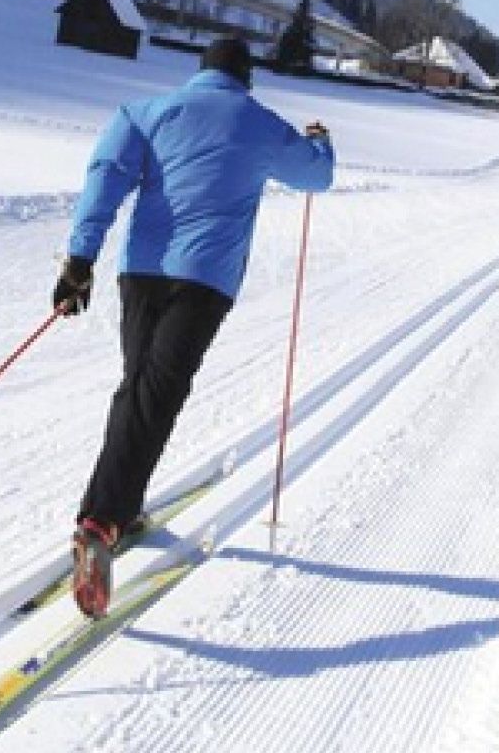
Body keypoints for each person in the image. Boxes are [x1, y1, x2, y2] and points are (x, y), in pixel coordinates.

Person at [52, 35, 334, 617]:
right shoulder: (259, 123)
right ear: (245, 78)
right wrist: (320, 143)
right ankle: (102, 521)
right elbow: (316, 178)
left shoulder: (147, 113)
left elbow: (106, 175)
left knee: (139, 386)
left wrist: (80, 259)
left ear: (199, 73)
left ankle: (117, 509)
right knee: (157, 393)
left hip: (141, 274)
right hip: (204, 280)